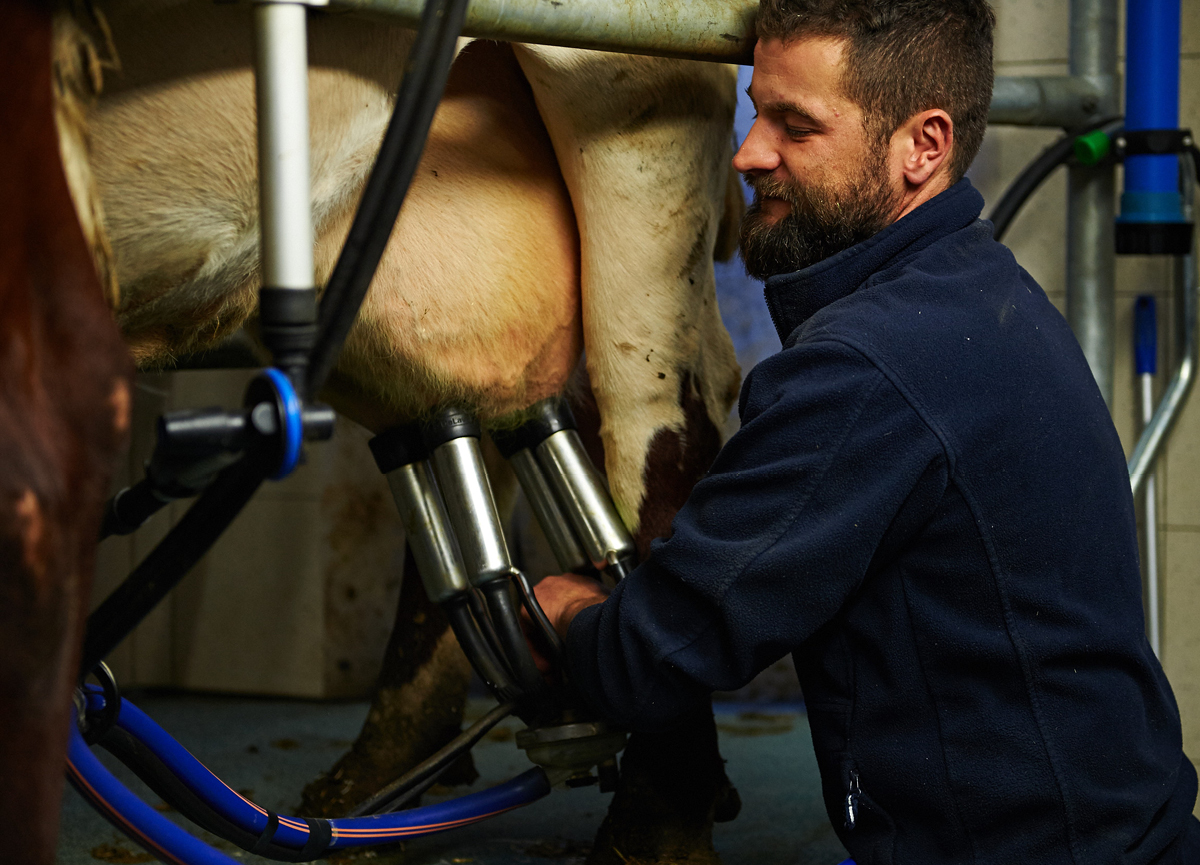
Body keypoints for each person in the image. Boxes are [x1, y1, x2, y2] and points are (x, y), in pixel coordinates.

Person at [531, 0, 1200, 862]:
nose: (747, 153)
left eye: (795, 126)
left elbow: (666, 646)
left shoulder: (867, 366)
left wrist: (574, 620)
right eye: (754, 111)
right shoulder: (975, 294)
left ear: (923, 146)